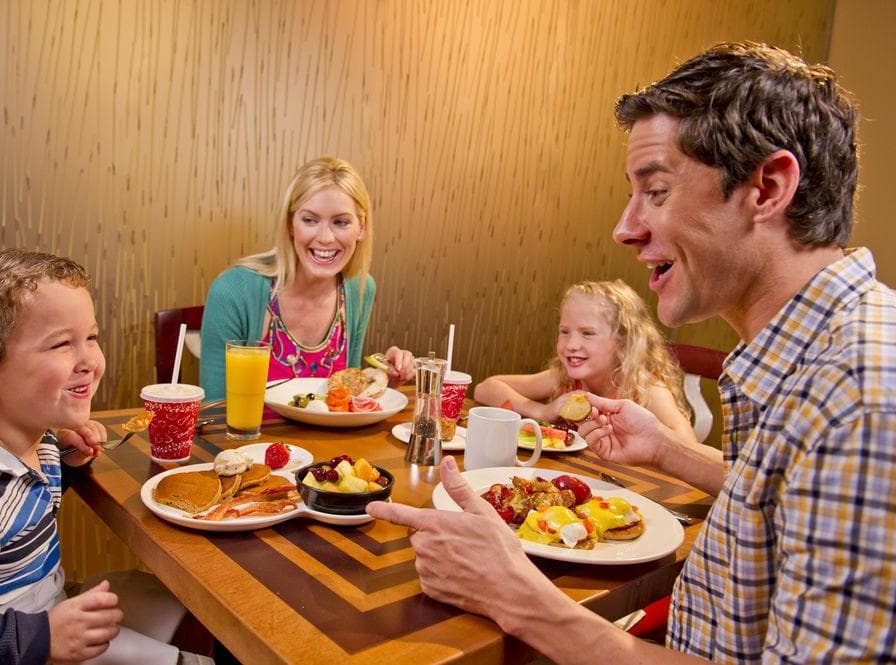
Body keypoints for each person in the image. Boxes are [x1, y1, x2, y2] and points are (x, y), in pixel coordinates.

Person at [368, 42, 895, 663]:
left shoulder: (863, 396)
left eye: (657, 191)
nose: (625, 227)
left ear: (768, 187)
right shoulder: (820, 360)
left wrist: (521, 599)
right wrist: (668, 451)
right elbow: (782, 497)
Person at [0, 250, 211, 665]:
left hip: (45, 602)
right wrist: (40, 638)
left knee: (192, 606)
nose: (90, 362)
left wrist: (66, 463)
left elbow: (16, 507)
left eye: (91, 337)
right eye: (62, 344)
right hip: (10, 643)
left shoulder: (28, 428)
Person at [200, 156, 413, 400]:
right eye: (310, 220)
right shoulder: (233, 289)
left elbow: (341, 402)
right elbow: (213, 413)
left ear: (361, 228)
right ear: (291, 224)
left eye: (341, 222)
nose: (325, 237)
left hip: (327, 440)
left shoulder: (360, 289)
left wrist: (383, 379)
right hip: (249, 439)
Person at [474, 279, 693, 441]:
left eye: (587, 333)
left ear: (624, 342)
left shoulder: (645, 389)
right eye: (565, 331)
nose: (571, 345)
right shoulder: (564, 377)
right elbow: (485, 389)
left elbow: (688, 446)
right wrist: (542, 412)